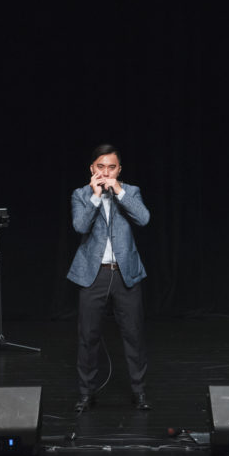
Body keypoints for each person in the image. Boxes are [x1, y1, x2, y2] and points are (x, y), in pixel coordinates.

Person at [67, 144, 151, 413]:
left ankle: (139, 392)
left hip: (126, 273)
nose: (106, 172)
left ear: (119, 170)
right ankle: (86, 394)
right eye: (100, 167)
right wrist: (95, 197)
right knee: (88, 337)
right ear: (92, 168)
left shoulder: (131, 191)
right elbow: (80, 226)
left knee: (134, 335)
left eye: (111, 167)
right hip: (94, 275)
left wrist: (118, 192)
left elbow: (144, 219)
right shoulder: (80, 194)